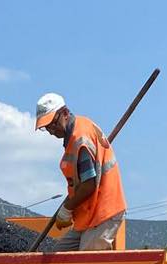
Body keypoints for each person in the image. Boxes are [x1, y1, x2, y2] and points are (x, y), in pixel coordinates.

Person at [35, 93, 126, 252]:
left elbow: (89, 185)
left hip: (103, 213)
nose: (50, 130)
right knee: (56, 263)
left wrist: (67, 208)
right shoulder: (76, 132)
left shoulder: (80, 139)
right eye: (46, 127)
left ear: (64, 113)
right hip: (88, 216)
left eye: (52, 124)